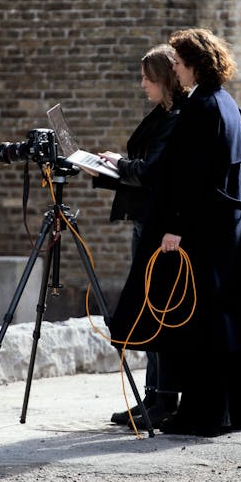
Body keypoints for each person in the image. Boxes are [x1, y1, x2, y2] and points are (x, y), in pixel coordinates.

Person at [108, 27, 241, 436]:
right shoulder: (224, 102)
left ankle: (205, 415)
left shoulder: (200, 109)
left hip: (206, 234)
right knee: (227, 324)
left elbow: (189, 178)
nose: (174, 69)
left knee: (203, 325)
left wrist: (175, 228)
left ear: (193, 65)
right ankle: (236, 411)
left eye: (176, 63)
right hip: (231, 231)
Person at [95, 44, 185, 427]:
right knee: (149, 309)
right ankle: (152, 395)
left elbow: (153, 172)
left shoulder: (176, 118)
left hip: (157, 225)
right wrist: (116, 163)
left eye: (147, 78)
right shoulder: (162, 114)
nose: (142, 84)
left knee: (156, 308)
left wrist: (119, 164)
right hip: (146, 221)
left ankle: (163, 398)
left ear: (165, 79)